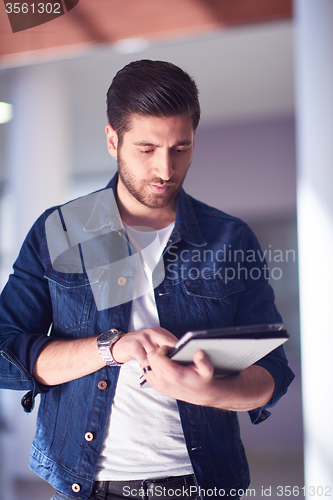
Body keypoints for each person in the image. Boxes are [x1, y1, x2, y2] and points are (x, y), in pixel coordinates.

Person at [0, 60, 294, 500]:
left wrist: (213, 389)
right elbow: (5, 352)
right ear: (112, 140)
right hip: (88, 484)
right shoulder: (66, 228)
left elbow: (272, 372)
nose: (165, 169)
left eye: (181, 148)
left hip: (204, 484)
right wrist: (111, 348)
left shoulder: (229, 237)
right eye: (146, 148)